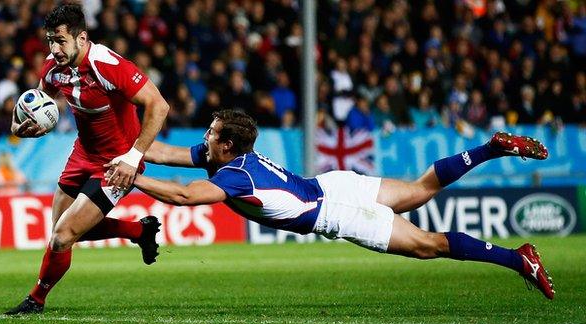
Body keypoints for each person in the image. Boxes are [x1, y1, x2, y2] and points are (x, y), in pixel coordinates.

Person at [107, 109, 555, 301]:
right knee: (420, 191)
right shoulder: (225, 155)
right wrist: (129, 151)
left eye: (211, 132)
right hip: (333, 185)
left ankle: (518, 260)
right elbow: (165, 152)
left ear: (226, 144)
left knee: (428, 245)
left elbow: (185, 196)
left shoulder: (234, 176)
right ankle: (489, 149)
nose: (204, 137)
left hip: (338, 211)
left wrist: (134, 176)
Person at [5, 4, 169, 315]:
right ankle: (139, 231)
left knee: (63, 236)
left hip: (116, 164)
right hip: (83, 154)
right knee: (59, 231)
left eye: (61, 41)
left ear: (82, 38)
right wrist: (20, 128)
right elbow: (39, 102)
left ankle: (35, 300)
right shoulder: (53, 66)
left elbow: (158, 106)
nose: (55, 48)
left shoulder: (107, 65)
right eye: (51, 40)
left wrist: (133, 157)